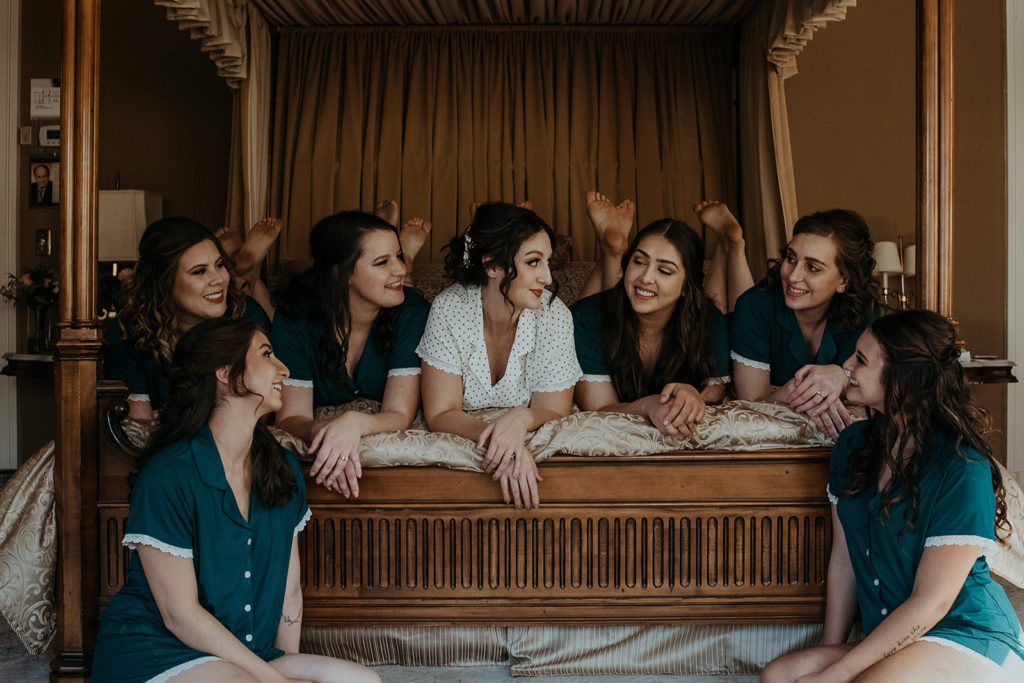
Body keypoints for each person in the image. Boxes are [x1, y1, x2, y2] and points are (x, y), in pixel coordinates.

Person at [92, 318, 380, 683]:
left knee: (362, 681)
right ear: (227, 373)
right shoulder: (168, 476)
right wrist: (275, 681)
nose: (284, 368)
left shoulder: (282, 467)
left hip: (245, 655)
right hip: (156, 650)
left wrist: (282, 665)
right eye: (267, 355)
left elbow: (289, 591)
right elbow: (180, 615)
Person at [760, 310, 1024, 683]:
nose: (846, 365)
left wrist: (835, 676)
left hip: (965, 634)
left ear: (904, 379)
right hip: (895, 638)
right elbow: (844, 561)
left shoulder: (963, 467)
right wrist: (827, 651)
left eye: (861, 360)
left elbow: (932, 603)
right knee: (779, 676)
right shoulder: (854, 445)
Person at [417, 202, 581, 509]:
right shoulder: (449, 309)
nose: (546, 277)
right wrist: (500, 442)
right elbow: (440, 412)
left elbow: (555, 410)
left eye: (548, 262)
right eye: (533, 262)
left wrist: (520, 418)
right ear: (492, 265)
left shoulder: (554, 314)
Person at [271, 211, 429, 497]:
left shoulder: (413, 312)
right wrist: (327, 434)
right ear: (340, 273)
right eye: (382, 262)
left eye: (399, 256)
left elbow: (399, 412)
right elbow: (291, 416)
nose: (400, 270)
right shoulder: (295, 317)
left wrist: (354, 423)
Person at [571, 218, 730, 436]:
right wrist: (648, 405)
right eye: (639, 261)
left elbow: (716, 389)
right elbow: (599, 409)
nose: (645, 277)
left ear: (686, 286)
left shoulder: (711, 321)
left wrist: (693, 396)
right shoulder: (585, 318)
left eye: (664, 271)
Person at [104, 217, 271, 421]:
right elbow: (139, 426)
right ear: (164, 283)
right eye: (200, 271)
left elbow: (262, 416)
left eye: (220, 265)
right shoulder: (128, 333)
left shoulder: (246, 314)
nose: (218, 279)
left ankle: (249, 272)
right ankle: (249, 271)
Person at [730, 209, 878, 439]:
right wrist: (792, 392)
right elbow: (749, 403)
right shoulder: (754, 307)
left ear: (844, 281)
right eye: (791, 258)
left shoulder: (864, 312)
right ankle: (731, 244)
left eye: (813, 267)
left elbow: (875, 385)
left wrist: (841, 376)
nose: (793, 276)